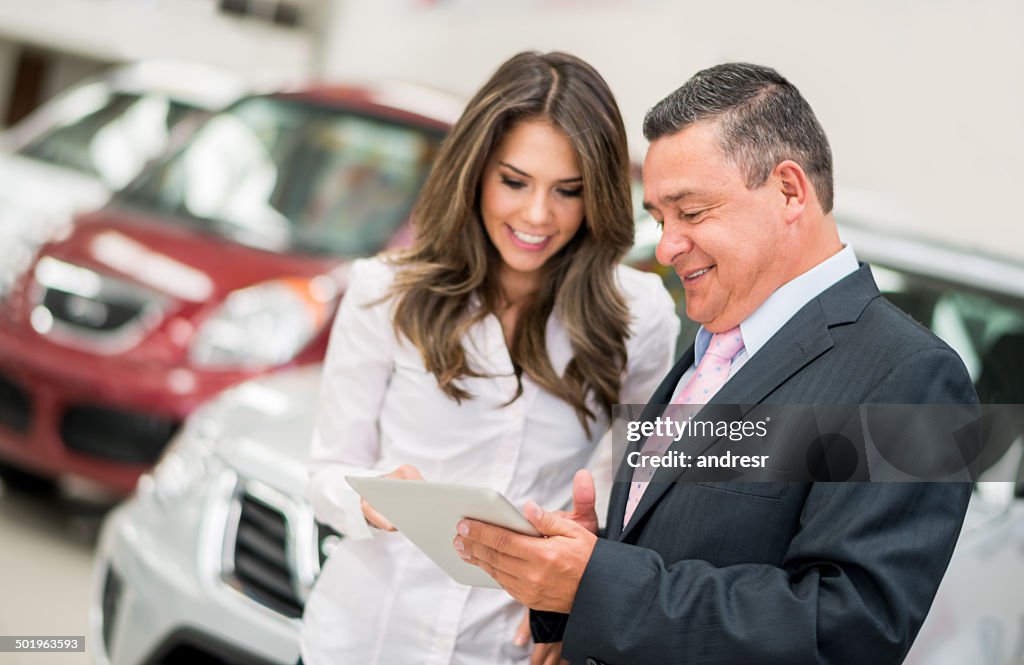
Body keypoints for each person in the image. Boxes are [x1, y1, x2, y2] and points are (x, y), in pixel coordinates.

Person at [455, 62, 979, 664]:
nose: (668, 244)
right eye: (659, 218)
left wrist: (596, 581)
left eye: (692, 212)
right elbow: (677, 551)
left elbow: (844, 631)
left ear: (789, 190)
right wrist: (572, 570)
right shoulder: (712, 346)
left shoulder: (912, 377)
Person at [300, 51, 679, 665]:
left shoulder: (638, 317)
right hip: (367, 639)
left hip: (504, 649)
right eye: (515, 181)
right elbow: (326, 472)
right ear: (475, 171)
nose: (537, 216)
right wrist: (367, 499)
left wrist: (577, 601)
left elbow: (622, 491)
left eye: (568, 191)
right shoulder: (383, 291)